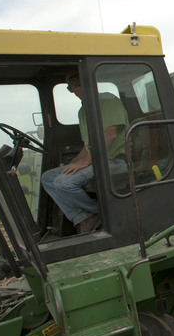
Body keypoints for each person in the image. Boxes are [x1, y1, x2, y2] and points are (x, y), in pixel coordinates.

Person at [41, 72, 128, 234]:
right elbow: (88, 145)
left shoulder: (107, 101)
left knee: (64, 183)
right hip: (98, 160)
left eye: (86, 82)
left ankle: (100, 213)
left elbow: (109, 134)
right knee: (48, 178)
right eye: (79, 85)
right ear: (70, 89)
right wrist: (74, 162)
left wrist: (87, 161)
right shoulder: (83, 111)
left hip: (116, 161)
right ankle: (83, 217)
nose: (84, 87)